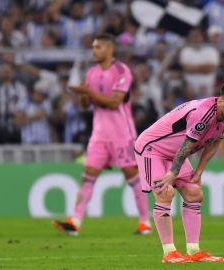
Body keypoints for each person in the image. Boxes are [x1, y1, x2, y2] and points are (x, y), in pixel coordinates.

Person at [134, 81, 224, 263]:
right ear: (220, 101)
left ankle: (194, 250)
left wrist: (200, 170)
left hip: (175, 153)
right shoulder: (203, 113)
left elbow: (214, 143)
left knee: (194, 193)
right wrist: (173, 173)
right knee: (165, 193)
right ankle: (169, 252)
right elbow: (187, 145)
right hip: (152, 149)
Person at [53, 34, 151, 236]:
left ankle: (145, 222)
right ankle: (75, 222)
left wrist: (89, 92)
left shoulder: (122, 71)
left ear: (109, 48)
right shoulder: (92, 72)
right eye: (93, 47)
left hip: (122, 133)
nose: (94, 51)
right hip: (99, 134)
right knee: (88, 176)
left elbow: (115, 102)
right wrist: (83, 94)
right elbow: (85, 105)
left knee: (132, 176)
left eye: (98, 47)